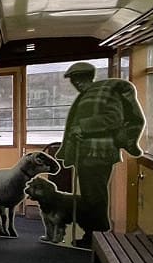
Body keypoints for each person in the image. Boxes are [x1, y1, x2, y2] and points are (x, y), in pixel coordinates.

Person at [60, 61, 145, 247]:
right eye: (74, 80)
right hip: (90, 154)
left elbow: (113, 118)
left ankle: (96, 237)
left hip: (96, 154)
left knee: (94, 198)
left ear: (86, 78)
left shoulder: (100, 93)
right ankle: (95, 235)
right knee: (93, 196)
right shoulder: (92, 94)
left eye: (78, 79)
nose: (76, 83)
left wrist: (83, 126)